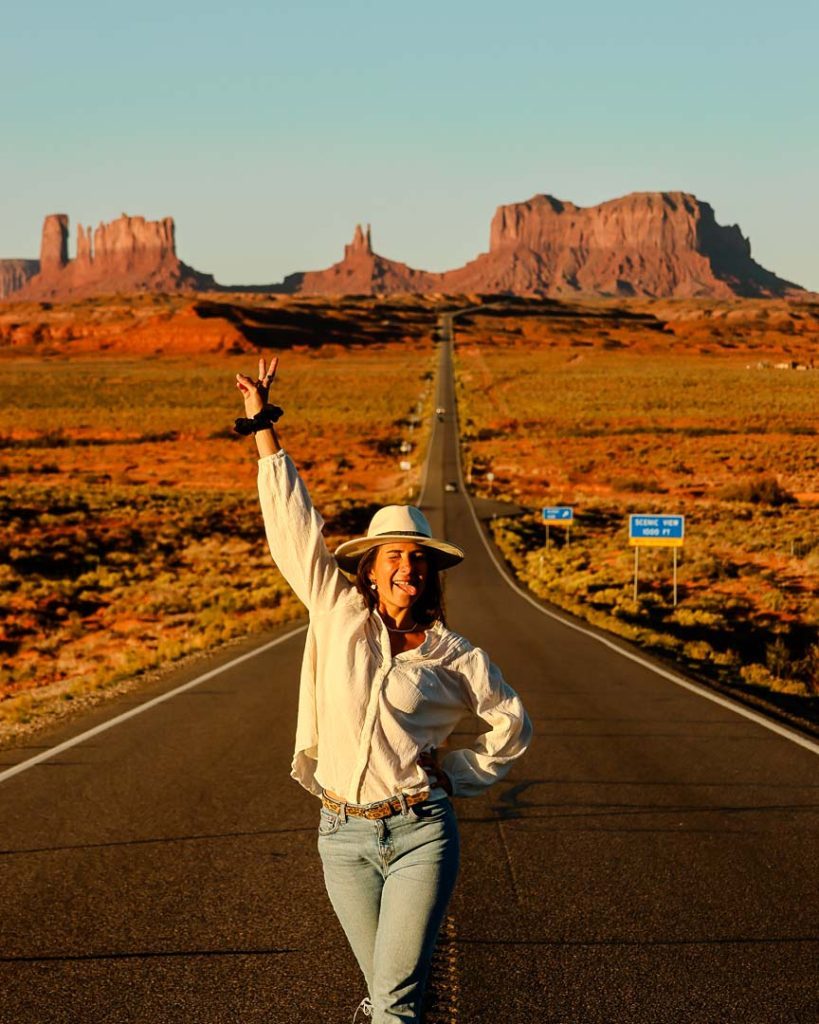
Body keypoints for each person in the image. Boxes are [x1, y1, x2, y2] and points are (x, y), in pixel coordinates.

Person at [235, 357, 532, 1024]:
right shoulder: (337, 613)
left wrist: (457, 770)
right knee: (389, 994)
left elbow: (512, 725)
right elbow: (292, 527)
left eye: (417, 557)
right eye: (393, 555)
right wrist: (262, 426)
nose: (407, 565)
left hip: (420, 830)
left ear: (429, 575)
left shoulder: (454, 655)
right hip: (340, 834)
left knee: (392, 1005)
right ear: (368, 569)